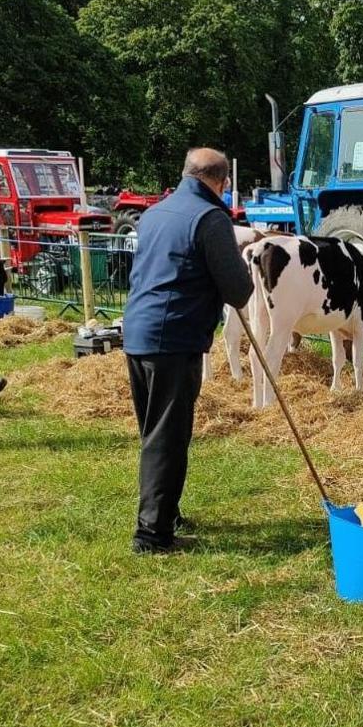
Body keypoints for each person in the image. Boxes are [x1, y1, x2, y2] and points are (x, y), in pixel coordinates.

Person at [122, 148, 253, 554]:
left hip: (139, 331)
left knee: (153, 430)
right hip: (173, 339)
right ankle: (152, 535)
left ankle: (166, 512)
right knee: (168, 436)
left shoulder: (155, 212)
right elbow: (238, 289)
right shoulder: (210, 218)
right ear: (220, 182)